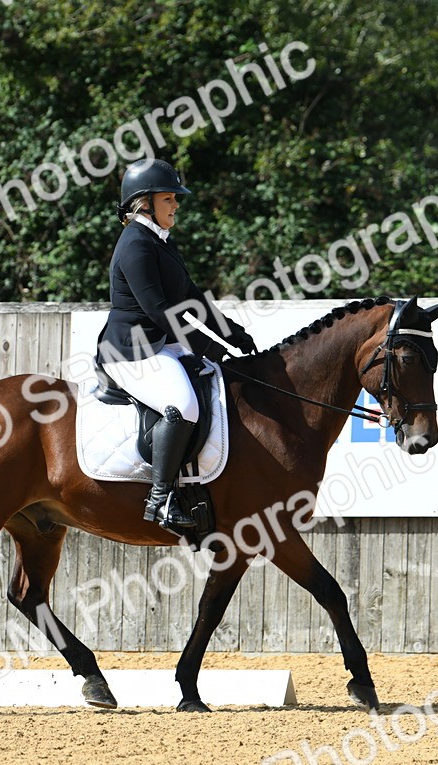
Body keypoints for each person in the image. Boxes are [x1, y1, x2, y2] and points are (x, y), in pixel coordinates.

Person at [95, 158, 257, 535]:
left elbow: (192, 298)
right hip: (131, 350)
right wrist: (206, 345)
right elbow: (158, 309)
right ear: (144, 203)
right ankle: (161, 499)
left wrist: (232, 334)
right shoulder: (135, 244)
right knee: (182, 405)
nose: (176, 205)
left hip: (161, 346)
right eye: (168, 198)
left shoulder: (160, 242)